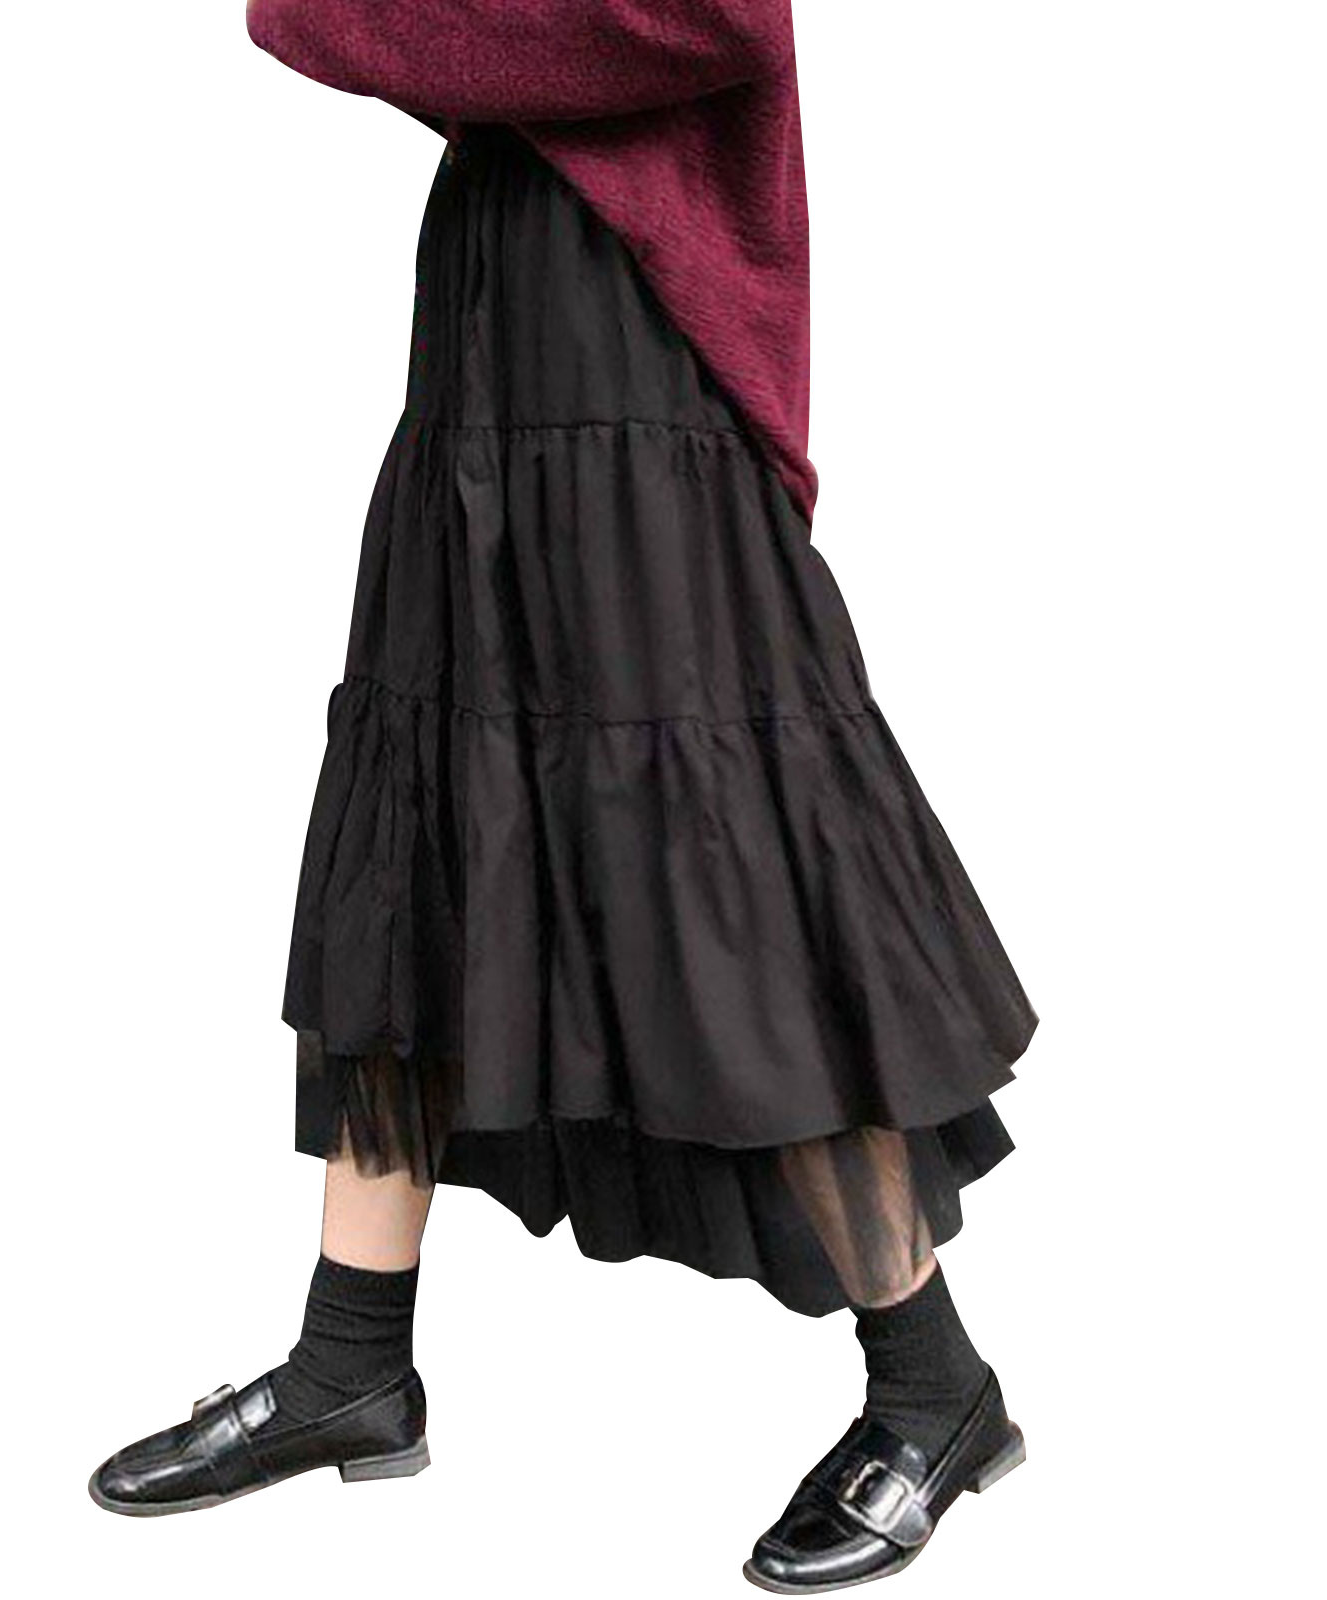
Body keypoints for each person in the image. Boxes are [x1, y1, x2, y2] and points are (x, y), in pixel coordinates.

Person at [88, 7, 1038, 1591]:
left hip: (637, 365)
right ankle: (350, 1360)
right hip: (488, 340)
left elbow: (703, 22)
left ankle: (936, 1389)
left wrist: (391, 24)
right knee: (422, 829)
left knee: (729, 871)